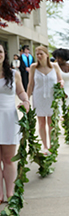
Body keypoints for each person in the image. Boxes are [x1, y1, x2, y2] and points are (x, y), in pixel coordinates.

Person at [0, 44, 31, 204]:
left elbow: (20, 91)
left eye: (0, 51)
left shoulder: (14, 74)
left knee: (9, 159)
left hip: (8, 119)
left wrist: (25, 100)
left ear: (4, 54)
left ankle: (10, 192)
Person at [27, 46, 63, 153]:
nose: (38, 56)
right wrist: (27, 99)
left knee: (51, 123)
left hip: (51, 98)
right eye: (37, 54)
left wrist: (61, 83)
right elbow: (30, 85)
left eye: (41, 54)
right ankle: (45, 146)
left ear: (47, 55)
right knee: (41, 123)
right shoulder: (33, 67)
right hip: (39, 98)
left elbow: (60, 79)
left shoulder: (54, 66)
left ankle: (52, 145)